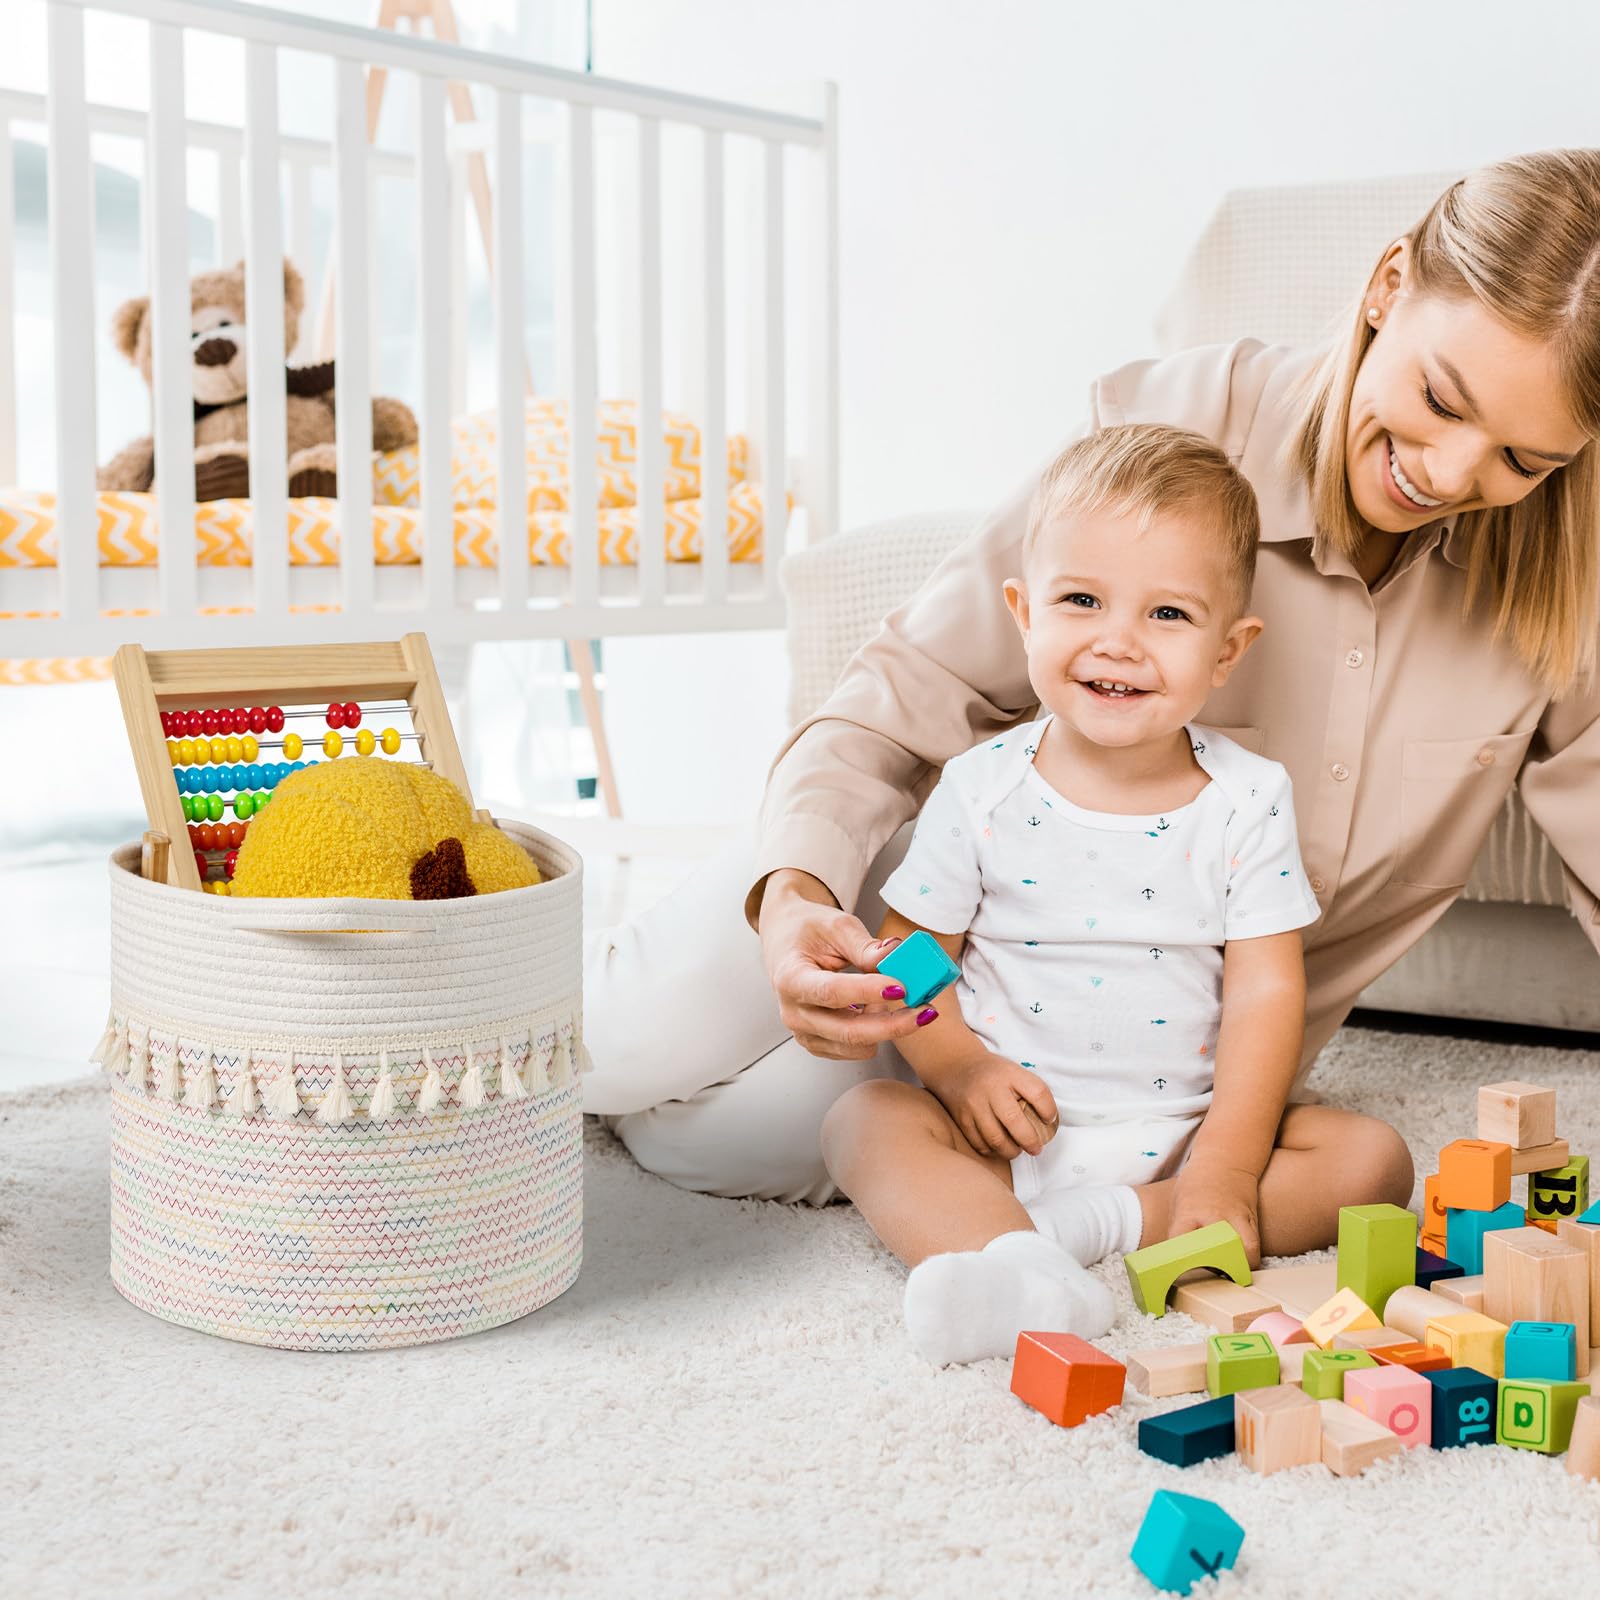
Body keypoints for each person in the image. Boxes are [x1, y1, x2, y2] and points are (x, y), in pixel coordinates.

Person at [582, 150, 1600, 1207]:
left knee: (707, 1145)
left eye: (1521, 461)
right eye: (1439, 397)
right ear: (1389, 286)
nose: (1448, 474)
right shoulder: (1176, 431)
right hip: (917, 920)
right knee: (616, 1048)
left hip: (1136, 1082)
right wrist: (795, 896)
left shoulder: (1560, 584)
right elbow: (908, 690)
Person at [821, 423, 1414, 1365]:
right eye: (1082, 599)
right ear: (1025, 612)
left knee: (1370, 1161)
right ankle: (1023, 1253)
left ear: (1229, 650)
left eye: (1169, 616)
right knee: (864, 1122)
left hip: (1184, 1137)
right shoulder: (980, 788)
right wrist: (963, 1071)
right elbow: (908, 961)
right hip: (1007, 1130)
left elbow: (1267, 990)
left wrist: (1223, 1161)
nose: (1119, 642)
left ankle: (1072, 1237)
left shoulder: (1247, 798)